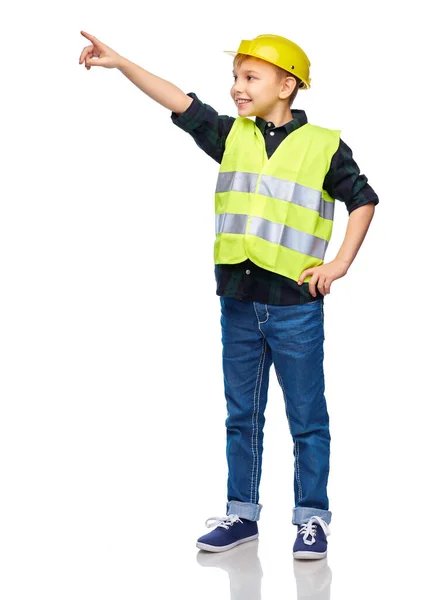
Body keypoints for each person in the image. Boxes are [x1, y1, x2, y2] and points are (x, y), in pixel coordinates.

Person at [79, 31, 378, 559]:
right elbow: (179, 100)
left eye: (249, 77)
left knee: (307, 416)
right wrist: (121, 63)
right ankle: (242, 515)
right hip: (237, 301)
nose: (237, 88)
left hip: (294, 306)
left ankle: (312, 519)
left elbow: (363, 199)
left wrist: (339, 264)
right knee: (243, 414)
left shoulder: (324, 145)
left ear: (287, 86)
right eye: (235, 78)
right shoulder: (230, 135)